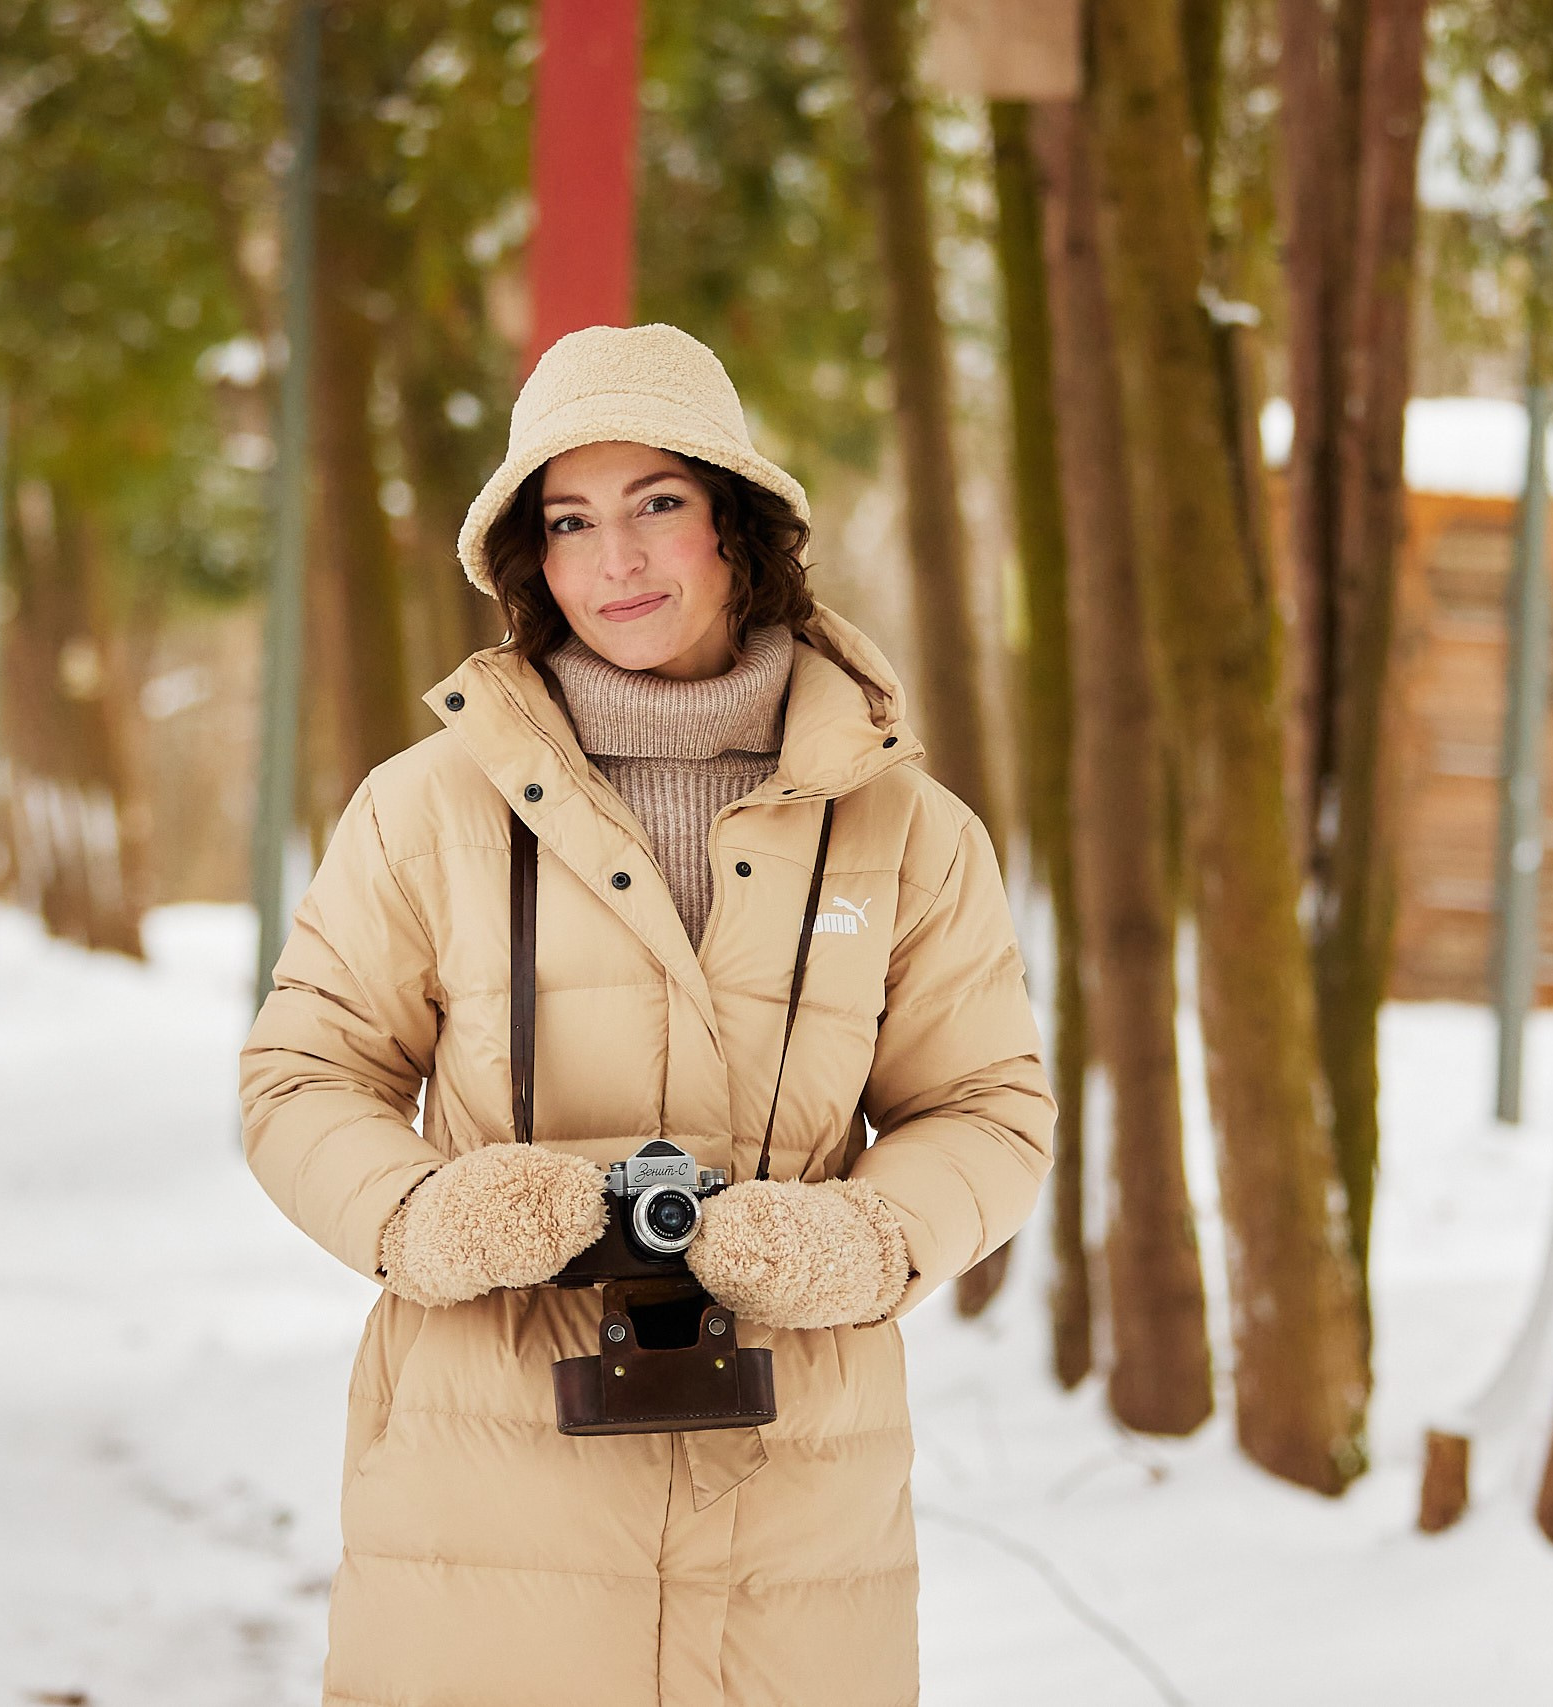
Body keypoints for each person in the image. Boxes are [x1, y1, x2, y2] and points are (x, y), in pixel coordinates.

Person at [239, 323, 1053, 1707]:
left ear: (738, 529)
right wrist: (422, 1217)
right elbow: (305, 1077)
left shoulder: (909, 829)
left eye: (657, 506)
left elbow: (986, 1109)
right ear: (531, 562)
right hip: (484, 1509)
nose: (614, 560)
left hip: (799, 1522)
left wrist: (861, 1240)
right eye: (570, 521)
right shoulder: (423, 809)